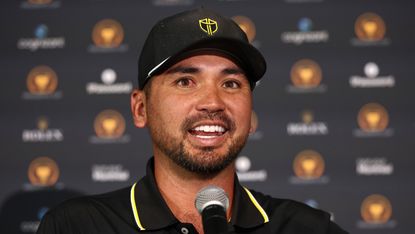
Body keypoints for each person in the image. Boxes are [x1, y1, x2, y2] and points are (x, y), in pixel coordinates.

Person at [37, 8, 348, 234]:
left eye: (231, 84)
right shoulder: (76, 226)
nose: (212, 102)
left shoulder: (308, 229)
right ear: (140, 108)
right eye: (185, 81)